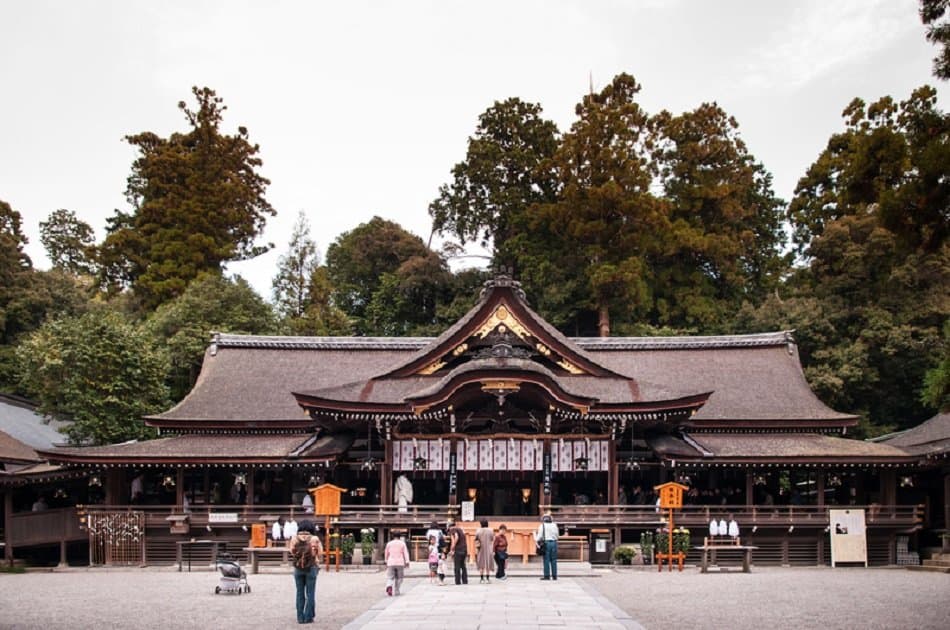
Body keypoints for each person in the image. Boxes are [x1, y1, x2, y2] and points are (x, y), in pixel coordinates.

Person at [288, 519, 323, 625]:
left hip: (298, 568)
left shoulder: (294, 538)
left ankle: (300, 617)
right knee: (310, 593)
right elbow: (320, 553)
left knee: (299, 593)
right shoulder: (314, 538)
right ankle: (308, 617)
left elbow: (292, 552)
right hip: (311, 567)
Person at [384, 530, 411, 596]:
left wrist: (386, 560)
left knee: (390, 577)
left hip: (391, 562)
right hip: (400, 562)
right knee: (399, 578)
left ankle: (389, 586)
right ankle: (396, 590)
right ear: (400, 536)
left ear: (393, 536)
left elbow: (386, 553)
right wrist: (407, 561)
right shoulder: (402, 544)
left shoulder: (389, 543)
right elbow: (405, 553)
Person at [535, 512, 559, 580]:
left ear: (544, 519)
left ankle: (547, 575)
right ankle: (554, 576)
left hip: (546, 543)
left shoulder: (542, 526)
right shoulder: (554, 525)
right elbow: (557, 535)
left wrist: (536, 539)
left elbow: (539, 536)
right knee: (554, 560)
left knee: (546, 560)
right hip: (554, 543)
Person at [447, 518, 468, 585]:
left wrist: (452, 548)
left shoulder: (452, 530)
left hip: (458, 550)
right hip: (464, 549)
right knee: (463, 566)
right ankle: (465, 581)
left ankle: (458, 581)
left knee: (457, 566)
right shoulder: (460, 529)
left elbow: (456, 537)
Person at [474, 518, 494, 583]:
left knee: (481, 563)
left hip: (481, 548)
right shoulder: (491, 530)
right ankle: (488, 578)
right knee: (487, 563)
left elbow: (476, 539)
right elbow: (492, 539)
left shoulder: (478, 530)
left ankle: (482, 579)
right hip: (488, 548)